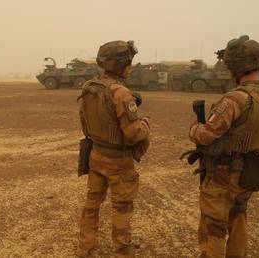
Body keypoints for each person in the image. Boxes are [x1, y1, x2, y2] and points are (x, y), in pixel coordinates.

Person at [189, 35, 259, 258]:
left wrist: (194, 129)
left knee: (214, 225)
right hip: (250, 172)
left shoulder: (235, 99)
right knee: (238, 216)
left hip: (224, 174)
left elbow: (207, 135)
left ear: (236, 67)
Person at [76, 40, 151, 258]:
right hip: (118, 161)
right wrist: (145, 123)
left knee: (92, 202)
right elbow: (134, 133)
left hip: (96, 155)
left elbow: (84, 124)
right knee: (122, 207)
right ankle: (122, 251)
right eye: (129, 63)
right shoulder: (121, 93)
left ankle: (85, 248)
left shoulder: (89, 87)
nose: (131, 66)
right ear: (123, 65)